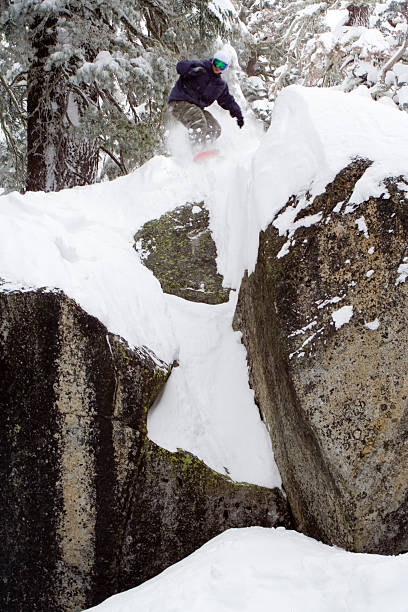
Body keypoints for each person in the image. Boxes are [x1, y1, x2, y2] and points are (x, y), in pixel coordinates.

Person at [168, 49, 244, 148]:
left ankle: (205, 149)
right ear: (213, 60)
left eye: (222, 66)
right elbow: (180, 66)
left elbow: (228, 101)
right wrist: (191, 70)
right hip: (179, 102)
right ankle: (196, 149)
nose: (217, 67)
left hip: (196, 107)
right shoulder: (201, 66)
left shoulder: (219, 84)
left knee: (215, 128)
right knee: (198, 121)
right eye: (217, 63)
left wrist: (238, 115)